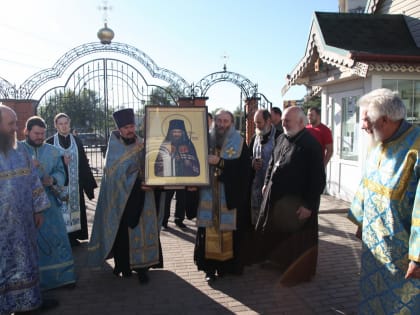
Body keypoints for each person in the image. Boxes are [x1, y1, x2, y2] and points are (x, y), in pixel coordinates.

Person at [348, 88, 420, 314]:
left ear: (385, 119)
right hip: (374, 249)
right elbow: (368, 183)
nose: (362, 126)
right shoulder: (379, 142)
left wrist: (417, 257)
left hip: (402, 256)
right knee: (372, 301)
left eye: (365, 119)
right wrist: (361, 222)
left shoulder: (416, 149)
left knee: (401, 305)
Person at [88, 108, 163, 284]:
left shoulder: (144, 144)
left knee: (144, 231)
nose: (130, 130)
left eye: (132, 126)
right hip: (123, 199)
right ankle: (123, 266)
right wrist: (137, 183)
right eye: (126, 127)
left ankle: (143, 268)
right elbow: (113, 176)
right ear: (119, 129)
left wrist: (153, 181)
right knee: (123, 233)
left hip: (145, 198)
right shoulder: (114, 148)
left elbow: (156, 166)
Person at [255, 106, 326, 286]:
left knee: (296, 240)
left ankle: (297, 271)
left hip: (298, 203)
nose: (283, 124)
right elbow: (273, 162)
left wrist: (309, 205)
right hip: (277, 198)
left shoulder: (312, 145)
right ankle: (278, 262)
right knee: (277, 232)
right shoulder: (281, 137)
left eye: (288, 121)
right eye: (284, 120)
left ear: (301, 122)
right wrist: (266, 182)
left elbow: (317, 180)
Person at [0, 104, 58, 314]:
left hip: (24, 223)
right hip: (2, 228)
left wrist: (38, 209)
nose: (16, 128)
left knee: (28, 262)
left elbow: (33, 180)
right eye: (11, 124)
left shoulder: (19, 149)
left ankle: (31, 302)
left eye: (16, 123)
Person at [194, 109, 251, 282]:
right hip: (208, 195)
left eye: (226, 121)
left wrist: (220, 162)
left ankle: (227, 267)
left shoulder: (240, 142)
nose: (221, 124)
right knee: (208, 231)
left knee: (229, 232)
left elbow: (244, 172)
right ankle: (209, 269)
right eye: (219, 121)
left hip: (229, 196)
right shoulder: (205, 142)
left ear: (232, 123)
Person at [21, 116, 76, 291]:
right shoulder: (17, 150)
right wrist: (30, 167)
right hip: (27, 203)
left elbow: (61, 172)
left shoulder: (53, 151)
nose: (39, 137)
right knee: (33, 243)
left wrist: (53, 179)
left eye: (42, 134)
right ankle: (36, 281)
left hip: (50, 204)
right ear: (27, 131)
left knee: (58, 238)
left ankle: (64, 277)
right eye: (36, 133)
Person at [46, 113, 97, 246]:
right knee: (60, 211)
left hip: (75, 184)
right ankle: (62, 237)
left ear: (70, 124)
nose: (64, 126)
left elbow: (84, 163)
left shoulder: (77, 140)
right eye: (60, 124)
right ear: (56, 125)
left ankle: (74, 237)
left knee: (75, 210)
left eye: (66, 123)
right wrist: (62, 162)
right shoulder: (50, 142)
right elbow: (47, 164)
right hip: (59, 186)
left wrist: (89, 186)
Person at [249, 109, 282, 225]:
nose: (257, 125)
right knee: (255, 219)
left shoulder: (280, 137)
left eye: (259, 122)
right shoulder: (254, 137)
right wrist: (252, 162)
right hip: (257, 186)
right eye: (255, 123)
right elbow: (247, 157)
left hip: (273, 186)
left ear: (268, 121)